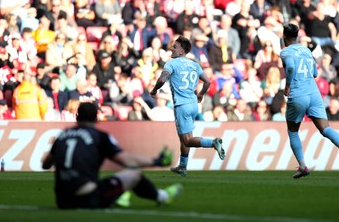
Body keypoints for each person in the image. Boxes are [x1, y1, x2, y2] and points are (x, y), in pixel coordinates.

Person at [42, 102, 181, 209]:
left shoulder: (63, 135)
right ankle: (162, 196)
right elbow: (127, 161)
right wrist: (156, 161)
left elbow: (45, 164)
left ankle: (120, 195)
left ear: (77, 117)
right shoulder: (99, 136)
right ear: (96, 118)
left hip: (62, 201)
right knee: (133, 175)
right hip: (86, 197)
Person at [280, 23, 339, 179]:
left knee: (293, 131)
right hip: (314, 93)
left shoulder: (285, 52)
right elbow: (314, 72)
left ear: (284, 36)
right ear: (298, 36)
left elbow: (291, 68)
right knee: (325, 128)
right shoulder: (306, 50)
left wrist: (287, 86)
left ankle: (303, 166)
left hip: (298, 93)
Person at [150, 36, 226, 177]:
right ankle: (182, 166)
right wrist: (201, 94)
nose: (172, 48)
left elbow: (162, 79)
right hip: (193, 104)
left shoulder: (171, 64)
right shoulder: (194, 64)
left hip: (182, 106)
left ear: (181, 51)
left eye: (175, 46)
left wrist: (154, 90)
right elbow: (208, 82)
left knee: (187, 140)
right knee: (184, 137)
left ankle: (213, 142)